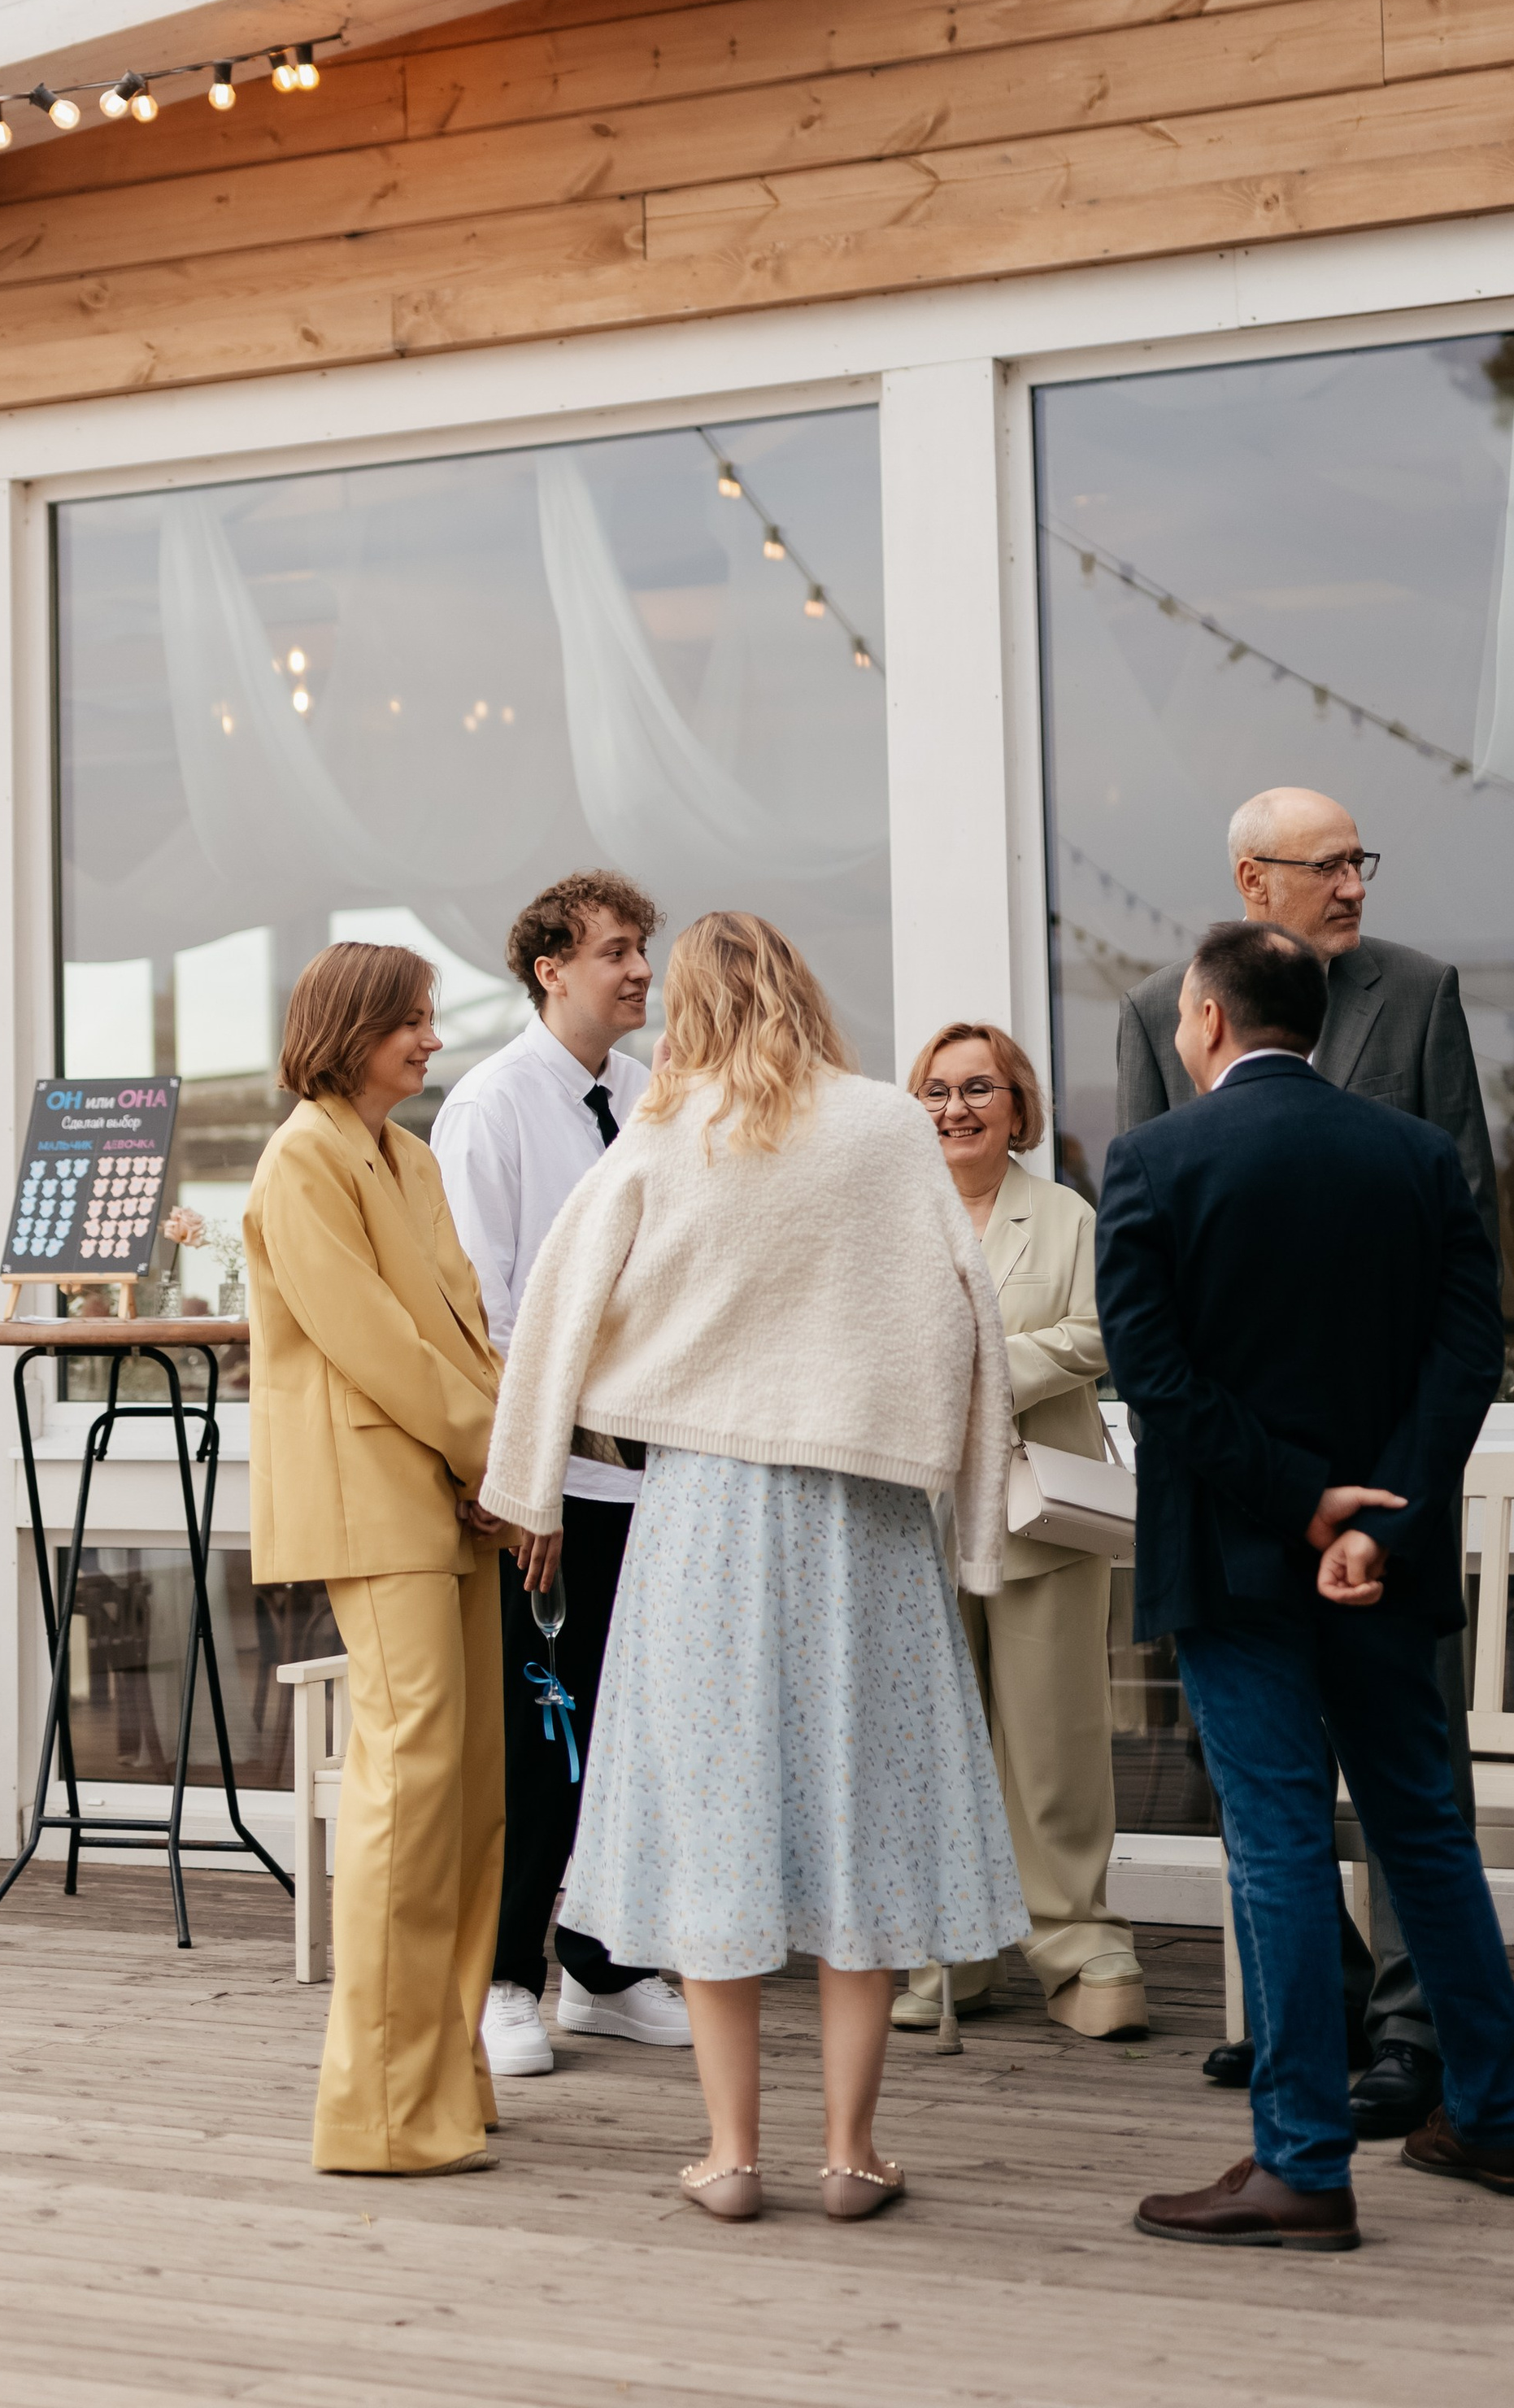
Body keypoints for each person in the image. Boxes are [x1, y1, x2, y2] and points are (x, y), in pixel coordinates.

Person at [479, 912, 1025, 2223]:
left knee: (716, 1823)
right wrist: (979, 1509)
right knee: (865, 1827)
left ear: (699, 1005)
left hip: (705, 1518)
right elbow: (973, 1310)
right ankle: (851, 2150)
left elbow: (556, 1302)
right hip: (865, 1524)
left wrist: (526, 1479)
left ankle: (730, 2154)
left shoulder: (666, 1131)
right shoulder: (889, 1128)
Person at [1099, 919, 1514, 2249]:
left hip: (1239, 1568)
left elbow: (1159, 1383)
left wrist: (1300, 1506)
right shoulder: (1411, 1157)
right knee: (1424, 1834)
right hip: (1384, 1569)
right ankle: (1496, 2118)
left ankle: (1301, 2160)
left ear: (1210, 1021)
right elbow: (1471, 1356)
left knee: (1282, 1842)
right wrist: (1379, 1522)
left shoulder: (1153, 1161)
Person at [245, 940, 511, 2177]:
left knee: (468, 1799)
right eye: (410, 1020)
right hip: (380, 1498)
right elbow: (383, 1349)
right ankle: (381, 2115)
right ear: (349, 1028)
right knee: (408, 1789)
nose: (431, 1038)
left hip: (448, 1495)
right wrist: (498, 1462)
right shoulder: (300, 1160)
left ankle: (444, 2083)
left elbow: (460, 1326)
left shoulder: (405, 1154)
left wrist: (505, 1454)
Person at [431, 869, 693, 2077]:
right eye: (617, 951)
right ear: (550, 969)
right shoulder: (490, 1107)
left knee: (638, 1737)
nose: (642, 969)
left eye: (644, 949)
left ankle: (604, 1964)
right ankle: (502, 1978)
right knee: (542, 1741)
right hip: (550, 1486)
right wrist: (523, 1484)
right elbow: (481, 1314)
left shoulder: (651, 1098)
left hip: (658, 1479)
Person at [892, 1023, 1146, 2042]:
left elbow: (1100, 1330)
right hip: (915, 1520)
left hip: (1042, 1514)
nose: (954, 1109)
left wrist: (980, 1370)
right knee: (935, 1745)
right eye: (935, 1091)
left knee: (1054, 1742)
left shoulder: (1068, 1216)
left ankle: (1077, 1942)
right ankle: (950, 1948)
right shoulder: (887, 1217)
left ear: (1016, 1107)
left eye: (977, 1089)